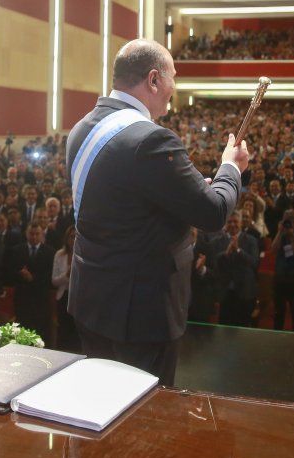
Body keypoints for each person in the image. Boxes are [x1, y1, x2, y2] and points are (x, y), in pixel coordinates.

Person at [66, 39, 247, 386]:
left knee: (98, 404)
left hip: (92, 300)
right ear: (153, 80)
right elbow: (213, 214)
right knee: (142, 422)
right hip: (139, 313)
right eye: (172, 77)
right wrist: (230, 169)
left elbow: (121, 206)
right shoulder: (151, 140)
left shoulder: (81, 128)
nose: (173, 88)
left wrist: (185, 193)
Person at [10, 222, 56, 345]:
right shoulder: (17, 250)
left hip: (41, 299)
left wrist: (32, 278)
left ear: (42, 235)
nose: (34, 237)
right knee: (22, 332)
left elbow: (50, 276)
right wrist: (21, 274)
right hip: (22, 298)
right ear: (26, 234)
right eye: (31, 234)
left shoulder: (50, 252)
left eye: (37, 234)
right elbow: (9, 273)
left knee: (40, 332)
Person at [52, 227, 79, 352]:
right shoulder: (59, 254)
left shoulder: (86, 255)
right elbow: (54, 281)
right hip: (63, 297)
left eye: (76, 236)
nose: (73, 239)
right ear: (67, 238)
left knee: (77, 330)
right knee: (63, 329)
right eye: (71, 236)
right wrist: (66, 275)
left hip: (79, 298)